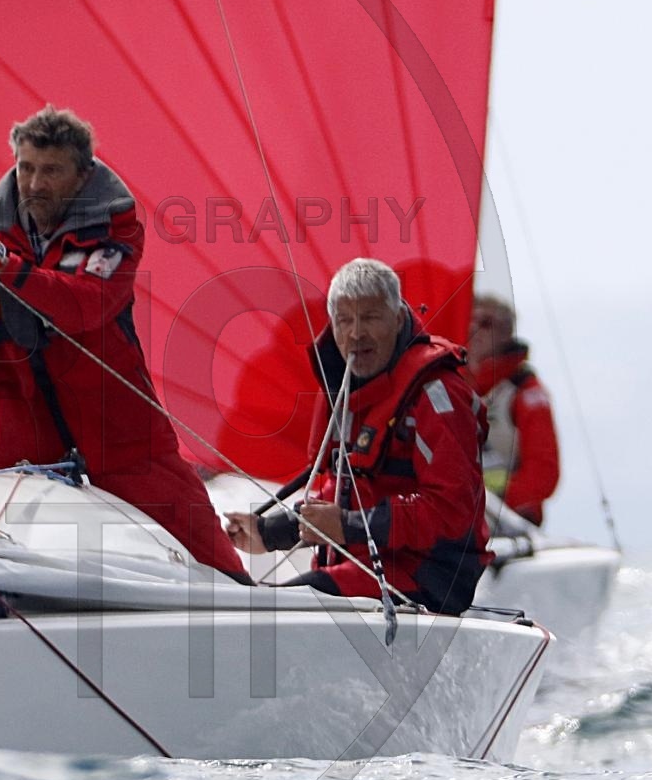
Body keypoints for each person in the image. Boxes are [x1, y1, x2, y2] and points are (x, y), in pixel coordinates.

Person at [0, 104, 242, 573]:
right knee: (5, 579)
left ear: (82, 175)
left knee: (219, 568)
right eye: (25, 168)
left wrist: (3, 265)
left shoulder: (114, 229)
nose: (34, 183)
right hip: (20, 457)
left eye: (51, 171)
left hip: (123, 443)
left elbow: (86, 305)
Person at [223, 259, 490, 614]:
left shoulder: (436, 395)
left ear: (398, 319)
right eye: (344, 320)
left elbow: (451, 511)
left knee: (272, 610)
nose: (356, 333)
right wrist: (270, 532)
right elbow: (346, 493)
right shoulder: (348, 390)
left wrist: (349, 526)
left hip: (427, 578)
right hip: (360, 572)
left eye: (371, 317)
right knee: (256, 604)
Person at [468, 294, 561, 525]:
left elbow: (543, 473)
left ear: (506, 332)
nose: (474, 329)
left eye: (485, 323)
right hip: (461, 520)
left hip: (510, 522)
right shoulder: (451, 387)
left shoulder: (526, 393)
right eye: (468, 319)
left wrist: (492, 504)